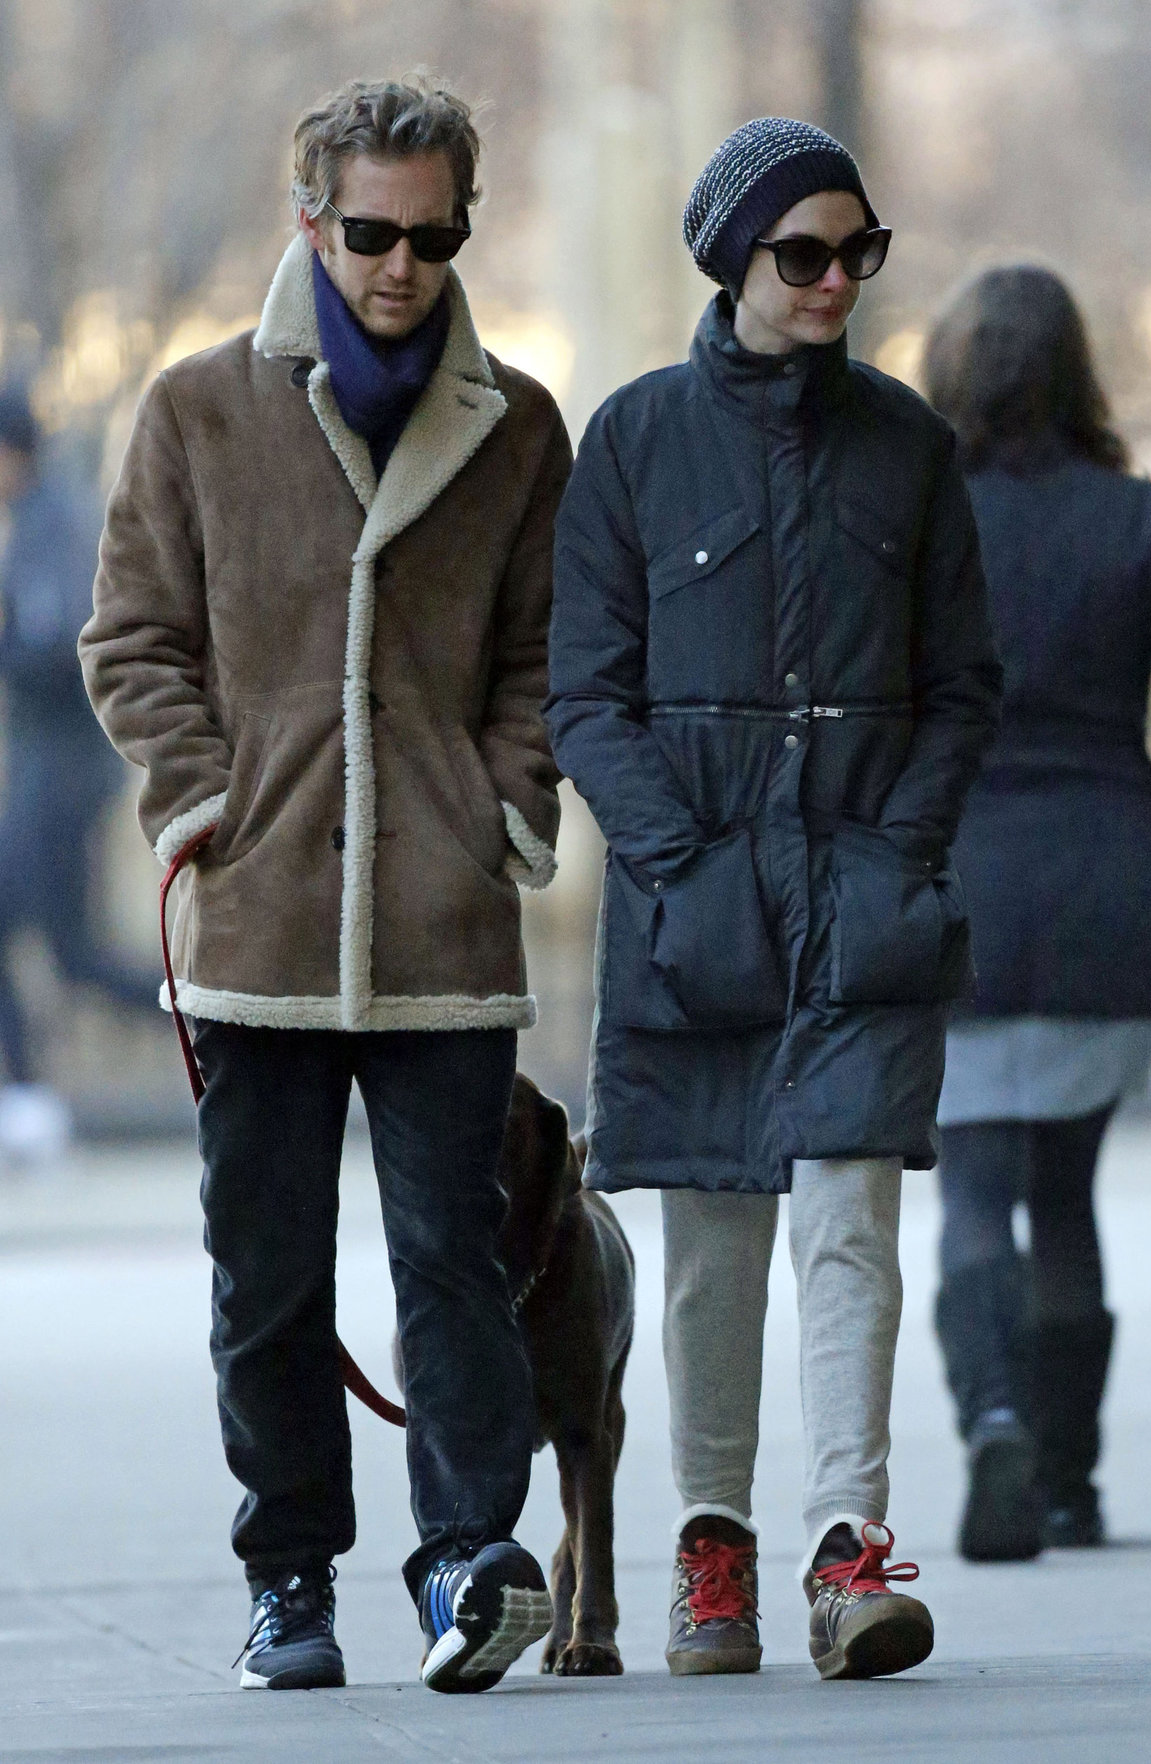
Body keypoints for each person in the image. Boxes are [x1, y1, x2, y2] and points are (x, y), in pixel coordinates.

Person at [80, 77, 572, 1692]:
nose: (404, 264)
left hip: (443, 916)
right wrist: (210, 797)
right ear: (313, 218)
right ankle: (291, 1574)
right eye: (372, 230)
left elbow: (543, 658)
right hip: (261, 914)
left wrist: (502, 811)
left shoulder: (519, 426)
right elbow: (131, 640)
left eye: (437, 235)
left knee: (457, 1260)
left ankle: (469, 1563)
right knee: (268, 1276)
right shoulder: (200, 408)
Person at [548, 117, 1001, 1682]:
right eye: (799, 253)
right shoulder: (631, 441)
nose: (832, 280)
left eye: (855, 251)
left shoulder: (909, 448)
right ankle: (713, 1550)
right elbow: (585, 697)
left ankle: (848, 1549)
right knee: (712, 1235)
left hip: (862, 888)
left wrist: (900, 852)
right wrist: (679, 866)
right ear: (730, 260)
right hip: (703, 894)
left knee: (852, 1225)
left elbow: (962, 688)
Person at [923, 265, 1151, 1562]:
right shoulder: (1140, 520)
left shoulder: (919, 521)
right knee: (1064, 1193)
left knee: (971, 1184)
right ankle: (1067, 1485)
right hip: (1109, 895)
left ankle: (996, 1418)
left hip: (954, 887)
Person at [0, 387, 159, 1164]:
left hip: (63, 777)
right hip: (44, 774)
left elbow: (65, 643)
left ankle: (213, 1023)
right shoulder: (37, 518)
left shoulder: (55, 522)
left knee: (77, 956)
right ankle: (22, 1094)